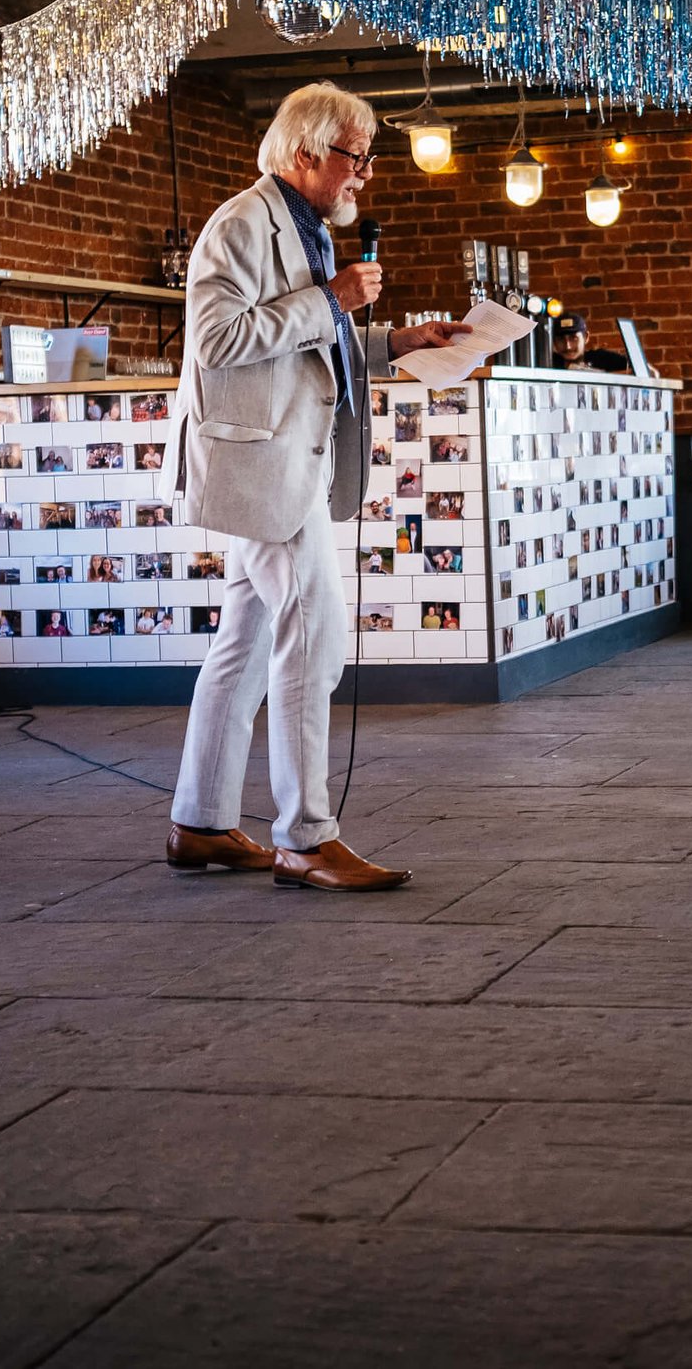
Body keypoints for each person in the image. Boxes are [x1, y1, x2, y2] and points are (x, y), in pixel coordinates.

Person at [163, 82, 471, 892]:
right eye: (355, 158)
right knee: (315, 637)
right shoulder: (239, 225)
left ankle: (200, 822)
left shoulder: (303, 230)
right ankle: (304, 835)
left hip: (284, 465)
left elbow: (310, 346)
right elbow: (219, 341)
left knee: (244, 645)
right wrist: (331, 299)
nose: (363, 176)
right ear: (306, 152)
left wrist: (402, 338)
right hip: (261, 467)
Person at [553, 312, 630, 372]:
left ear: (586, 337)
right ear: (554, 342)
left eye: (573, 338)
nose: (568, 346)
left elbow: (635, 371)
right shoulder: (548, 362)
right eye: (561, 339)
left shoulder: (601, 358)